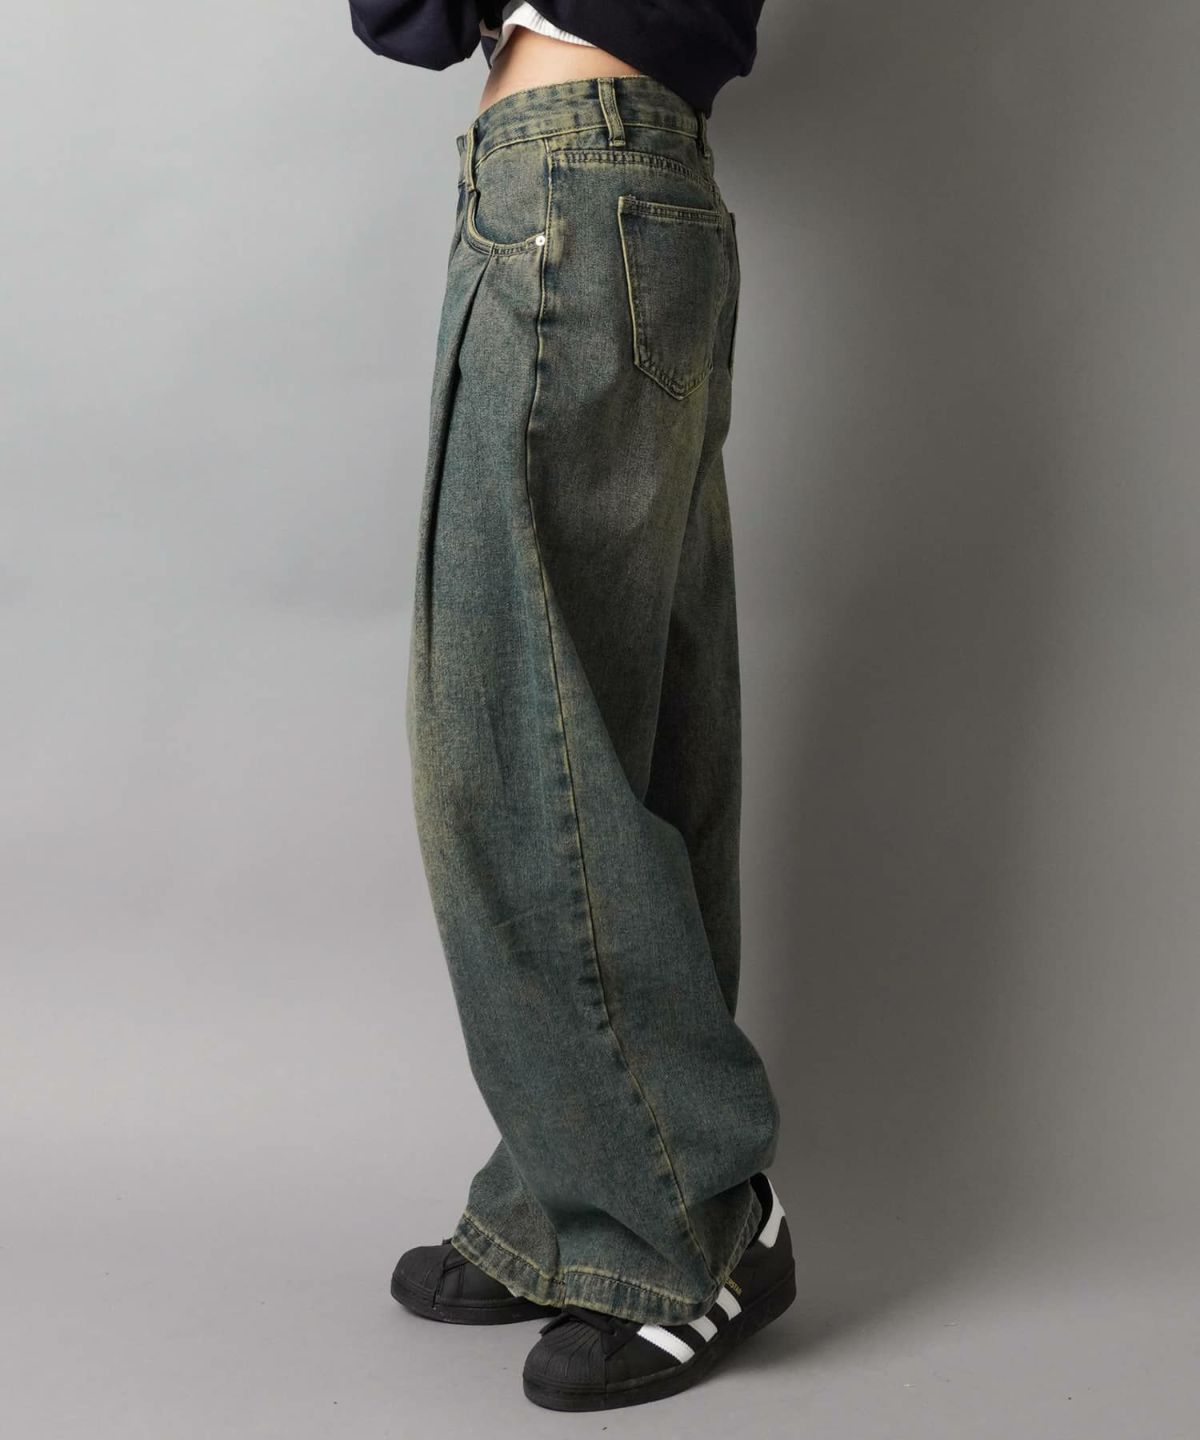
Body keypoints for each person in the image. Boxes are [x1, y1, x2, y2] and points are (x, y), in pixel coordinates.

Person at [347, 1, 792, 1411]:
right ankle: (570, 1201)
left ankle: (682, 1230)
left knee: (510, 746)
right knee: (629, 726)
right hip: (624, 177)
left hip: (572, 182)